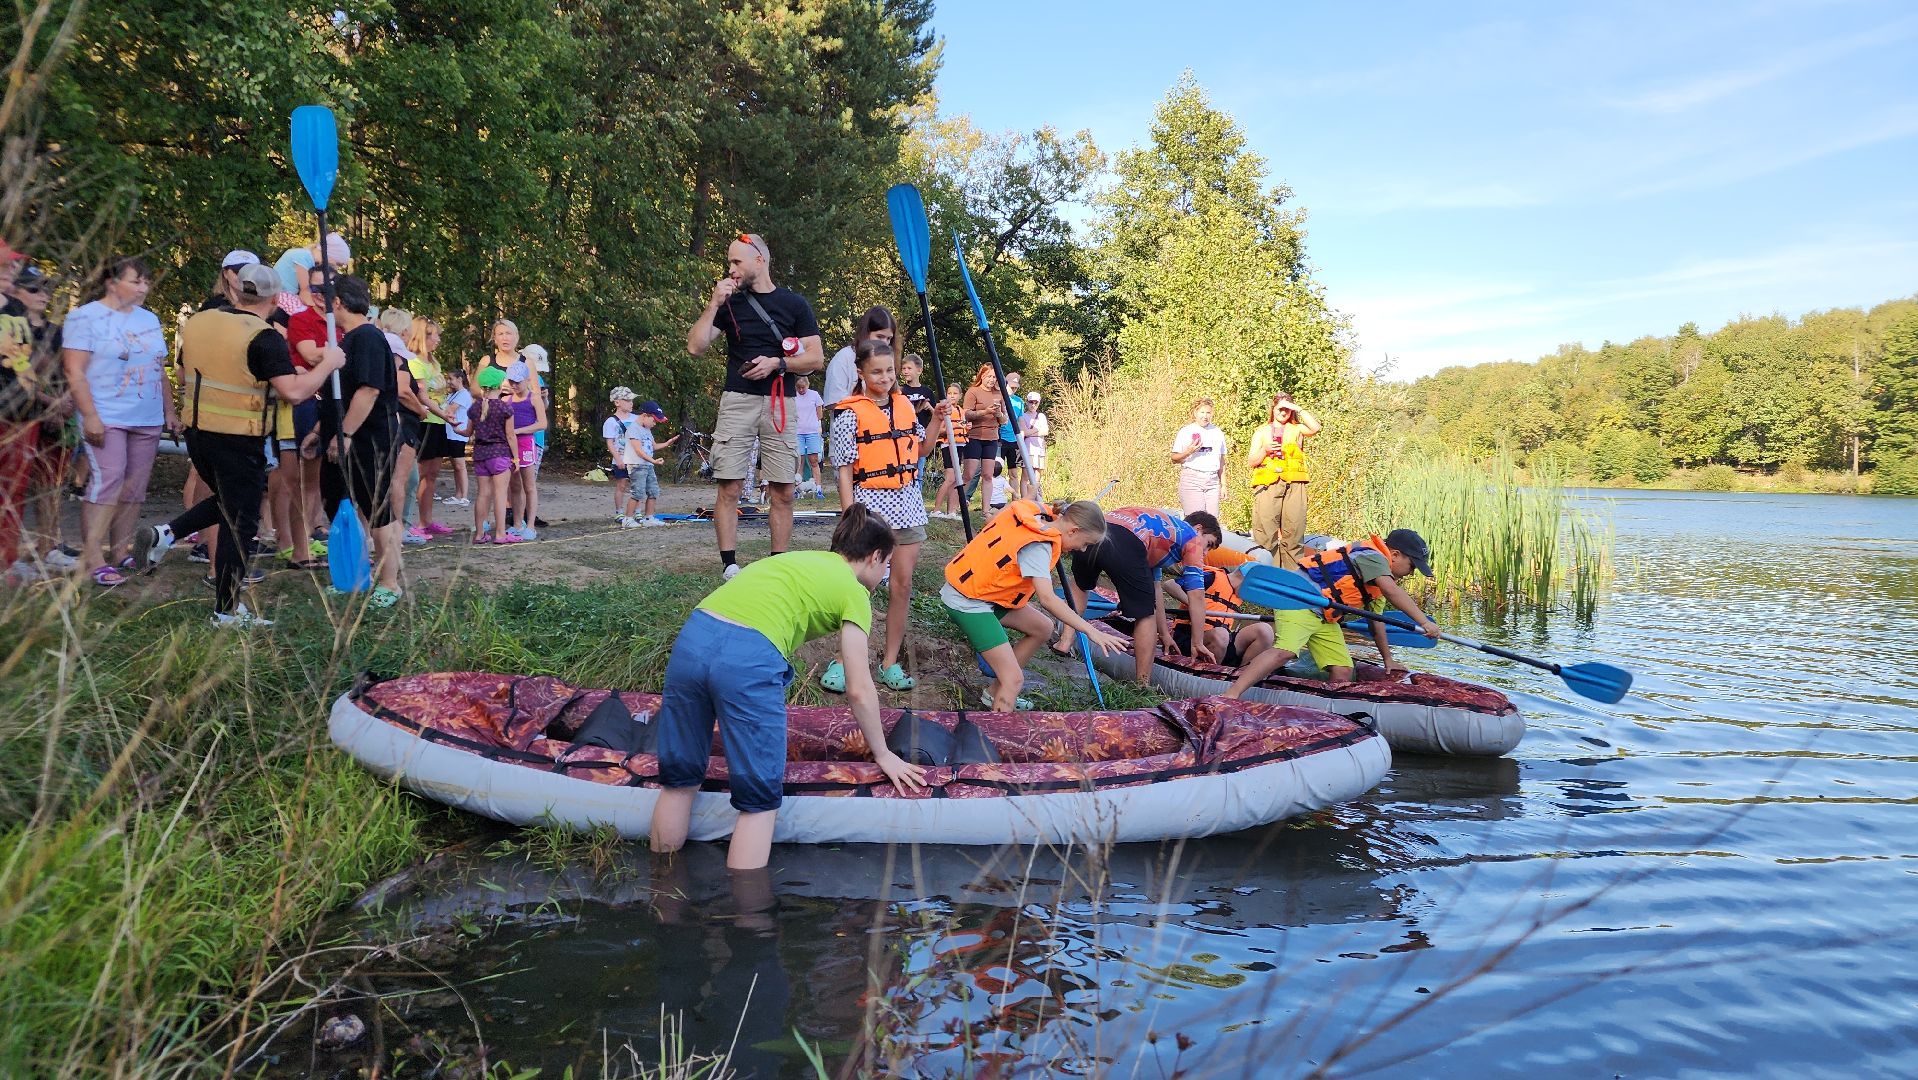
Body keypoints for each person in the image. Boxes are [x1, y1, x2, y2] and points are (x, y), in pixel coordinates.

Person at [649, 504, 931, 871]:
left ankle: (662, 894)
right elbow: (859, 688)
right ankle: (747, 921)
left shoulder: (797, 560)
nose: (886, 573)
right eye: (887, 564)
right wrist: (883, 754)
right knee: (758, 803)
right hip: (747, 658)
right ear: (876, 556)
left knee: (679, 782)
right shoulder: (854, 592)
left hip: (693, 639)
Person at [130, 265, 345, 625]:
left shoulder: (201, 322)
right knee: (241, 521)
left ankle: (164, 536)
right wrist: (329, 364)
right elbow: (294, 392)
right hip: (238, 436)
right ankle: (227, 610)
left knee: (231, 506)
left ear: (238, 292)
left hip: (198, 433)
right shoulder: (263, 337)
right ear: (275, 299)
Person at [684, 232, 823, 580]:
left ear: (759, 259)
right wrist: (713, 303)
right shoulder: (728, 303)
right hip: (737, 400)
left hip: (781, 402)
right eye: (729, 262)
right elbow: (696, 347)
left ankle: (777, 565)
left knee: (784, 489)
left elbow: (815, 358)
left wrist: (778, 364)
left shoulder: (795, 305)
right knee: (729, 485)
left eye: (736, 261)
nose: (731, 268)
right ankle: (730, 566)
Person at [941, 499, 1127, 711]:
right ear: (1074, 530)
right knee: (1014, 680)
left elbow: (1015, 507)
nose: (1083, 550)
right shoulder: (1039, 547)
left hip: (986, 591)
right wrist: (1090, 631)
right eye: (1085, 544)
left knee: (1043, 627)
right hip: (968, 600)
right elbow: (1047, 599)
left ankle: (994, 693)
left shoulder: (1038, 517)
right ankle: (996, 736)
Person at [820, 339, 926, 693]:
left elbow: (922, 448)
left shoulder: (907, 407)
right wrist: (850, 515)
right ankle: (842, 661)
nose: (884, 378)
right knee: (859, 587)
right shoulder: (849, 413)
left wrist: (939, 419)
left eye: (890, 371)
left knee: (903, 585)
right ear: (861, 373)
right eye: (876, 372)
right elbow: (845, 470)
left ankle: (890, 662)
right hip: (871, 507)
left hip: (909, 505)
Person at [1223, 530, 1443, 698]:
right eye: (1412, 566)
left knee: (1343, 670)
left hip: (1325, 618)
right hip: (1299, 601)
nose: (1412, 572)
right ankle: (1231, 694)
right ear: (1394, 555)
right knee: (1285, 652)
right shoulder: (1373, 557)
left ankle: (1329, 709)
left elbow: (1377, 624)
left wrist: (1388, 660)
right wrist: (1423, 621)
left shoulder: (1378, 586)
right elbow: (1392, 590)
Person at [63, 256, 172, 587]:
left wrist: (169, 410)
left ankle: (120, 549)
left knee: (135, 487)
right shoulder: (86, 318)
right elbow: (74, 370)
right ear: (112, 283)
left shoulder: (149, 319)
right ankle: (92, 556)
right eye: (135, 281)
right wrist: (91, 415)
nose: (143, 287)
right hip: (106, 414)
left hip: (146, 416)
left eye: (145, 281)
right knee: (107, 480)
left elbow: (159, 367)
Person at [316, 274, 406, 605]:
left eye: (326, 300)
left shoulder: (367, 337)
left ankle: (389, 583)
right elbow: (337, 393)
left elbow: (369, 391)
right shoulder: (346, 340)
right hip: (341, 440)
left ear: (337, 302)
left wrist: (346, 434)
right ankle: (352, 577)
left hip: (368, 440)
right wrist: (319, 432)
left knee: (376, 507)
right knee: (341, 505)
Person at [1065, 506, 1221, 681]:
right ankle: (1142, 683)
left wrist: (1164, 634)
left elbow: (1155, 590)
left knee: (1080, 584)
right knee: (1146, 616)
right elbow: (1197, 596)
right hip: (1126, 539)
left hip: (1097, 526)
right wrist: (1198, 642)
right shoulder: (1192, 538)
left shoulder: (1165, 535)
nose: (1205, 553)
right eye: (1208, 544)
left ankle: (1064, 643)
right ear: (1198, 529)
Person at [3, 264, 75, 581]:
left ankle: (12, 557)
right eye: (34, 289)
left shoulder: (48, 330)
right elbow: (22, 371)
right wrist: (53, 402)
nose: (43, 295)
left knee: (22, 489)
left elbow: (56, 369)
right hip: (11, 413)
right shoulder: (10, 322)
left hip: (28, 417)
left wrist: (64, 401)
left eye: (46, 289)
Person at [1246, 392, 1321, 570]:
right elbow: (1251, 461)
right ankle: (1267, 577)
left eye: (1288, 409)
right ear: (1273, 409)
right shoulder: (1262, 431)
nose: (1284, 412)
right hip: (1268, 485)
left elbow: (1315, 427)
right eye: (1281, 408)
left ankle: (1292, 578)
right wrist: (1264, 450)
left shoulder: (1298, 429)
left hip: (1295, 485)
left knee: (1294, 533)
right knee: (1265, 534)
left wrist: (1298, 408)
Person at [1166, 560, 1273, 672]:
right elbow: (1169, 585)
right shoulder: (1210, 577)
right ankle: (1209, 674)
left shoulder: (1237, 595)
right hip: (1190, 638)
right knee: (1221, 634)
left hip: (1222, 642)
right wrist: (1195, 605)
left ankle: (1240, 675)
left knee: (1265, 631)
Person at [406, 318, 458, 536]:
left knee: (433, 474)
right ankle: (412, 524)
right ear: (423, 337)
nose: (438, 338)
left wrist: (448, 412)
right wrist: (444, 414)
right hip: (425, 422)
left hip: (438, 423)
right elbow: (423, 397)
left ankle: (426, 521)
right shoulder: (414, 362)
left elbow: (440, 395)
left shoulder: (434, 363)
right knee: (419, 474)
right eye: (434, 334)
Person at [459, 367, 519, 544]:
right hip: (500, 454)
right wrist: (516, 458)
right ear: (500, 385)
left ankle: (479, 534)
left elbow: (468, 432)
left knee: (482, 494)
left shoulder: (474, 407)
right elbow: (510, 435)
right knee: (500, 494)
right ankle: (500, 534)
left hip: (480, 455)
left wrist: (457, 429)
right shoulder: (505, 408)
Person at [501, 360, 546, 539]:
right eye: (511, 381)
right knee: (515, 486)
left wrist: (518, 431)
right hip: (509, 446)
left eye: (517, 382)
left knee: (529, 485)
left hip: (526, 444)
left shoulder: (534, 398)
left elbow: (542, 423)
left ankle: (531, 525)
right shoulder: (506, 400)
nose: (514, 385)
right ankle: (518, 523)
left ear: (527, 380)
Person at [821, 306, 895, 412]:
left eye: (888, 338)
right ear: (866, 333)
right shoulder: (844, 358)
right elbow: (833, 402)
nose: (885, 343)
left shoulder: (888, 360)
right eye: (879, 336)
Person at [618, 399, 673, 526]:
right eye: (654, 420)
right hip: (637, 465)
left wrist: (667, 443)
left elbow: (653, 447)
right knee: (637, 493)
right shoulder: (633, 429)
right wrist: (653, 460)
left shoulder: (647, 430)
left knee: (653, 491)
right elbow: (638, 451)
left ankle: (649, 518)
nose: (655, 423)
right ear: (644, 416)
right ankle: (628, 519)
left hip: (648, 465)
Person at [960, 365, 1005, 518]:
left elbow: (1004, 420)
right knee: (969, 474)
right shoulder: (973, 392)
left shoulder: (999, 394)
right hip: (975, 436)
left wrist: (999, 413)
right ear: (982, 376)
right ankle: (958, 505)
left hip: (992, 438)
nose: (992, 380)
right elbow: (966, 414)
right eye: (989, 377)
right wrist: (985, 412)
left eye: (994, 377)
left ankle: (985, 510)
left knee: (988, 474)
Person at [1171, 397, 1227, 517]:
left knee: (1212, 521)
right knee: (1197, 520)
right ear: (1195, 413)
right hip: (1192, 479)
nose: (1205, 416)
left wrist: (1223, 485)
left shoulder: (1217, 432)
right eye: (1202, 412)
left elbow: (1221, 460)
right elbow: (1174, 458)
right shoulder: (1186, 431)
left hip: (1212, 481)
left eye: (1208, 413)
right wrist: (1189, 451)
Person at [931, 382, 969, 520]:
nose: (952, 396)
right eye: (949, 393)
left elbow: (963, 427)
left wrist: (966, 427)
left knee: (956, 479)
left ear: (960, 395)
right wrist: (952, 428)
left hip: (960, 445)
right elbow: (940, 429)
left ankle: (951, 511)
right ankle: (936, 510)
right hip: (948, 445)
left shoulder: (961, 410)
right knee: (950, 478)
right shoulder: (945, 410)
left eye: (955, 393)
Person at [272, 231, 350, 296]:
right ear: (329, 255)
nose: (335, 268)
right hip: (278, 297)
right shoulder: (304, 257)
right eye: (337, 264)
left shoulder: (304, 256)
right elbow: (305, 292)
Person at [603, 386, 641, 519]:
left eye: (632, 400)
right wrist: (618, 459)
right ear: (617, 402)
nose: (631, 403)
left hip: (636, 459)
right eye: (628, 400)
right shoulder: (611, 422)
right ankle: (619, 512)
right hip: (621, 459)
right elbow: (610, 443)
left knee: (637, 485)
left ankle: (637, 511)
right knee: (621, 485)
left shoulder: (637, 418)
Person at [440, 368, 472, 507]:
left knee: (460, 466)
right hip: (450, 434)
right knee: (455, 466)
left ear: (460, 379)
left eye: (451, 379)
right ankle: (458, 494)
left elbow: (449, 410)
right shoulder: (453, 394)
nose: (449, 382)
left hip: (458, 434)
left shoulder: (464, 394)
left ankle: (464, 496)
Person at [789, 375, 825, 497]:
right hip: (797, 433)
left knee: (814, 461)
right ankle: (795, 490)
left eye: (803, 387)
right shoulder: (793, 396)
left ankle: (818, 489)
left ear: (807, 385)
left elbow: (819, 414)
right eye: (798, 387)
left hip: (812, 432)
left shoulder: (814, 395)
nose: (801, 390)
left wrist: (816, 425)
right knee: (799, 462)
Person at [998, 370, 1027, 500]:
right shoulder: (1000, 399)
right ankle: (994, 501)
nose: (1014, 390)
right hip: (1000, 439)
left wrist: (1022, 435)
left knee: (1014, 473)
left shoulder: (1019, 401)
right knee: (995, 470)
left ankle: (1015, 501)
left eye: (1016, 387)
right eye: (1011, 387)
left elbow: (1020, 420)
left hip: (1014, 440)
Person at [1021, 391, 1049, 493]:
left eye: (1035, 403)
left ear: (1038, 403)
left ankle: (1035, 498)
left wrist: (1031, 432)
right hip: (1028, 449)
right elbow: (1024, 432)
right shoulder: (1022, 416)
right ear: (1027, 402)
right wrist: (1037, 429)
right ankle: (1024, 500)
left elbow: (1045, 431)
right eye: (1031, 402)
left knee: (1037, 477)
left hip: (1039, 449)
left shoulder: (1041, 416)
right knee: (1025, 476)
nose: (1033, 405)